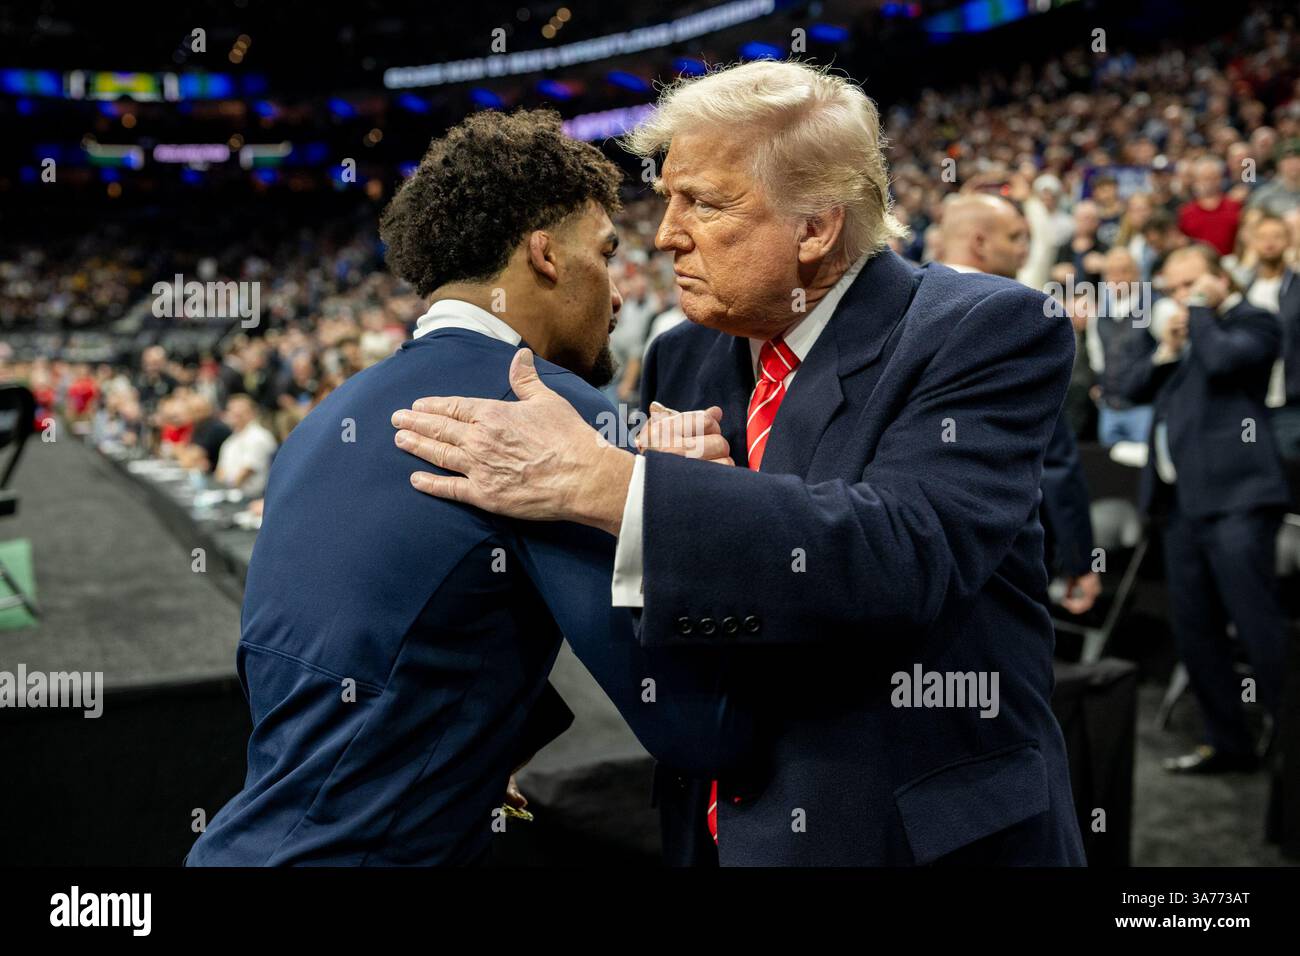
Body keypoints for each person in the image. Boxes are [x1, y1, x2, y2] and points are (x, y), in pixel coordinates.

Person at [392, 61, 1085, 866]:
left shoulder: (983, 329)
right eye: (670, 197)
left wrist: (619, 488)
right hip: (716, 829)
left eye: (705, 203)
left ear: (816, 227)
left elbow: (906, 553)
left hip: (906, 838)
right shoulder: (683, 353)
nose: (664, 233)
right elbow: (669, 608)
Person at [186, 109, 752, 867]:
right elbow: (705, 727)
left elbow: (340, 656)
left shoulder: (328, 419)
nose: (618, 296)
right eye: (606, 255)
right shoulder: (548, 412)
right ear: (545, 256)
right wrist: (700, 512)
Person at [1112, 244, 1291, 774]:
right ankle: (1227, 742)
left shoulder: (1254, 322)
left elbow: (1222, 363)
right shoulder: (1186, 337)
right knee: (1194, 630)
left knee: (1258, 628)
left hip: (1238, 500)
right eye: (1172, 288)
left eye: (1190, 285)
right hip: (1180, 507)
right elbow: (1125, 389)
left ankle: (1289, 750)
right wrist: (1167, 349)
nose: (1179, 297)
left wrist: (1198, 312)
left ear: (1219, 280)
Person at [939, 193, 1099, 615]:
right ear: (979, 242)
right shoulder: (1021, 314)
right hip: (995, 554)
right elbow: (1054, 458)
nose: (1024, 249)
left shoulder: (890, 307)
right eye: (1015, 237)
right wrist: (1081, 558)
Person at [213, 394, 278, 497]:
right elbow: (220, 472)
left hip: (252, 497)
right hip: (231, 493)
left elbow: (245, 473)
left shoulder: (259, 437)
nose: (235, 414)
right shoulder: (230, 441)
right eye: (232, 411)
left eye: (239, 412)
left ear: (252, 413)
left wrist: (224, 492)